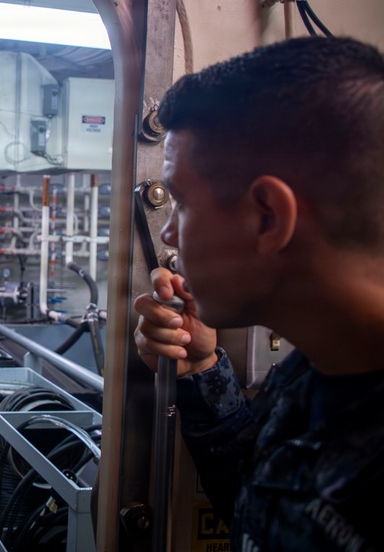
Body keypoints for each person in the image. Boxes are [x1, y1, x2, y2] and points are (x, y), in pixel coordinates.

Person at [134, 36, 384, 552]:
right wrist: (202, 370)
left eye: (180, 202)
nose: (168, 234)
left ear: (269, 217)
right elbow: (260, 512)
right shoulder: (315, 373)